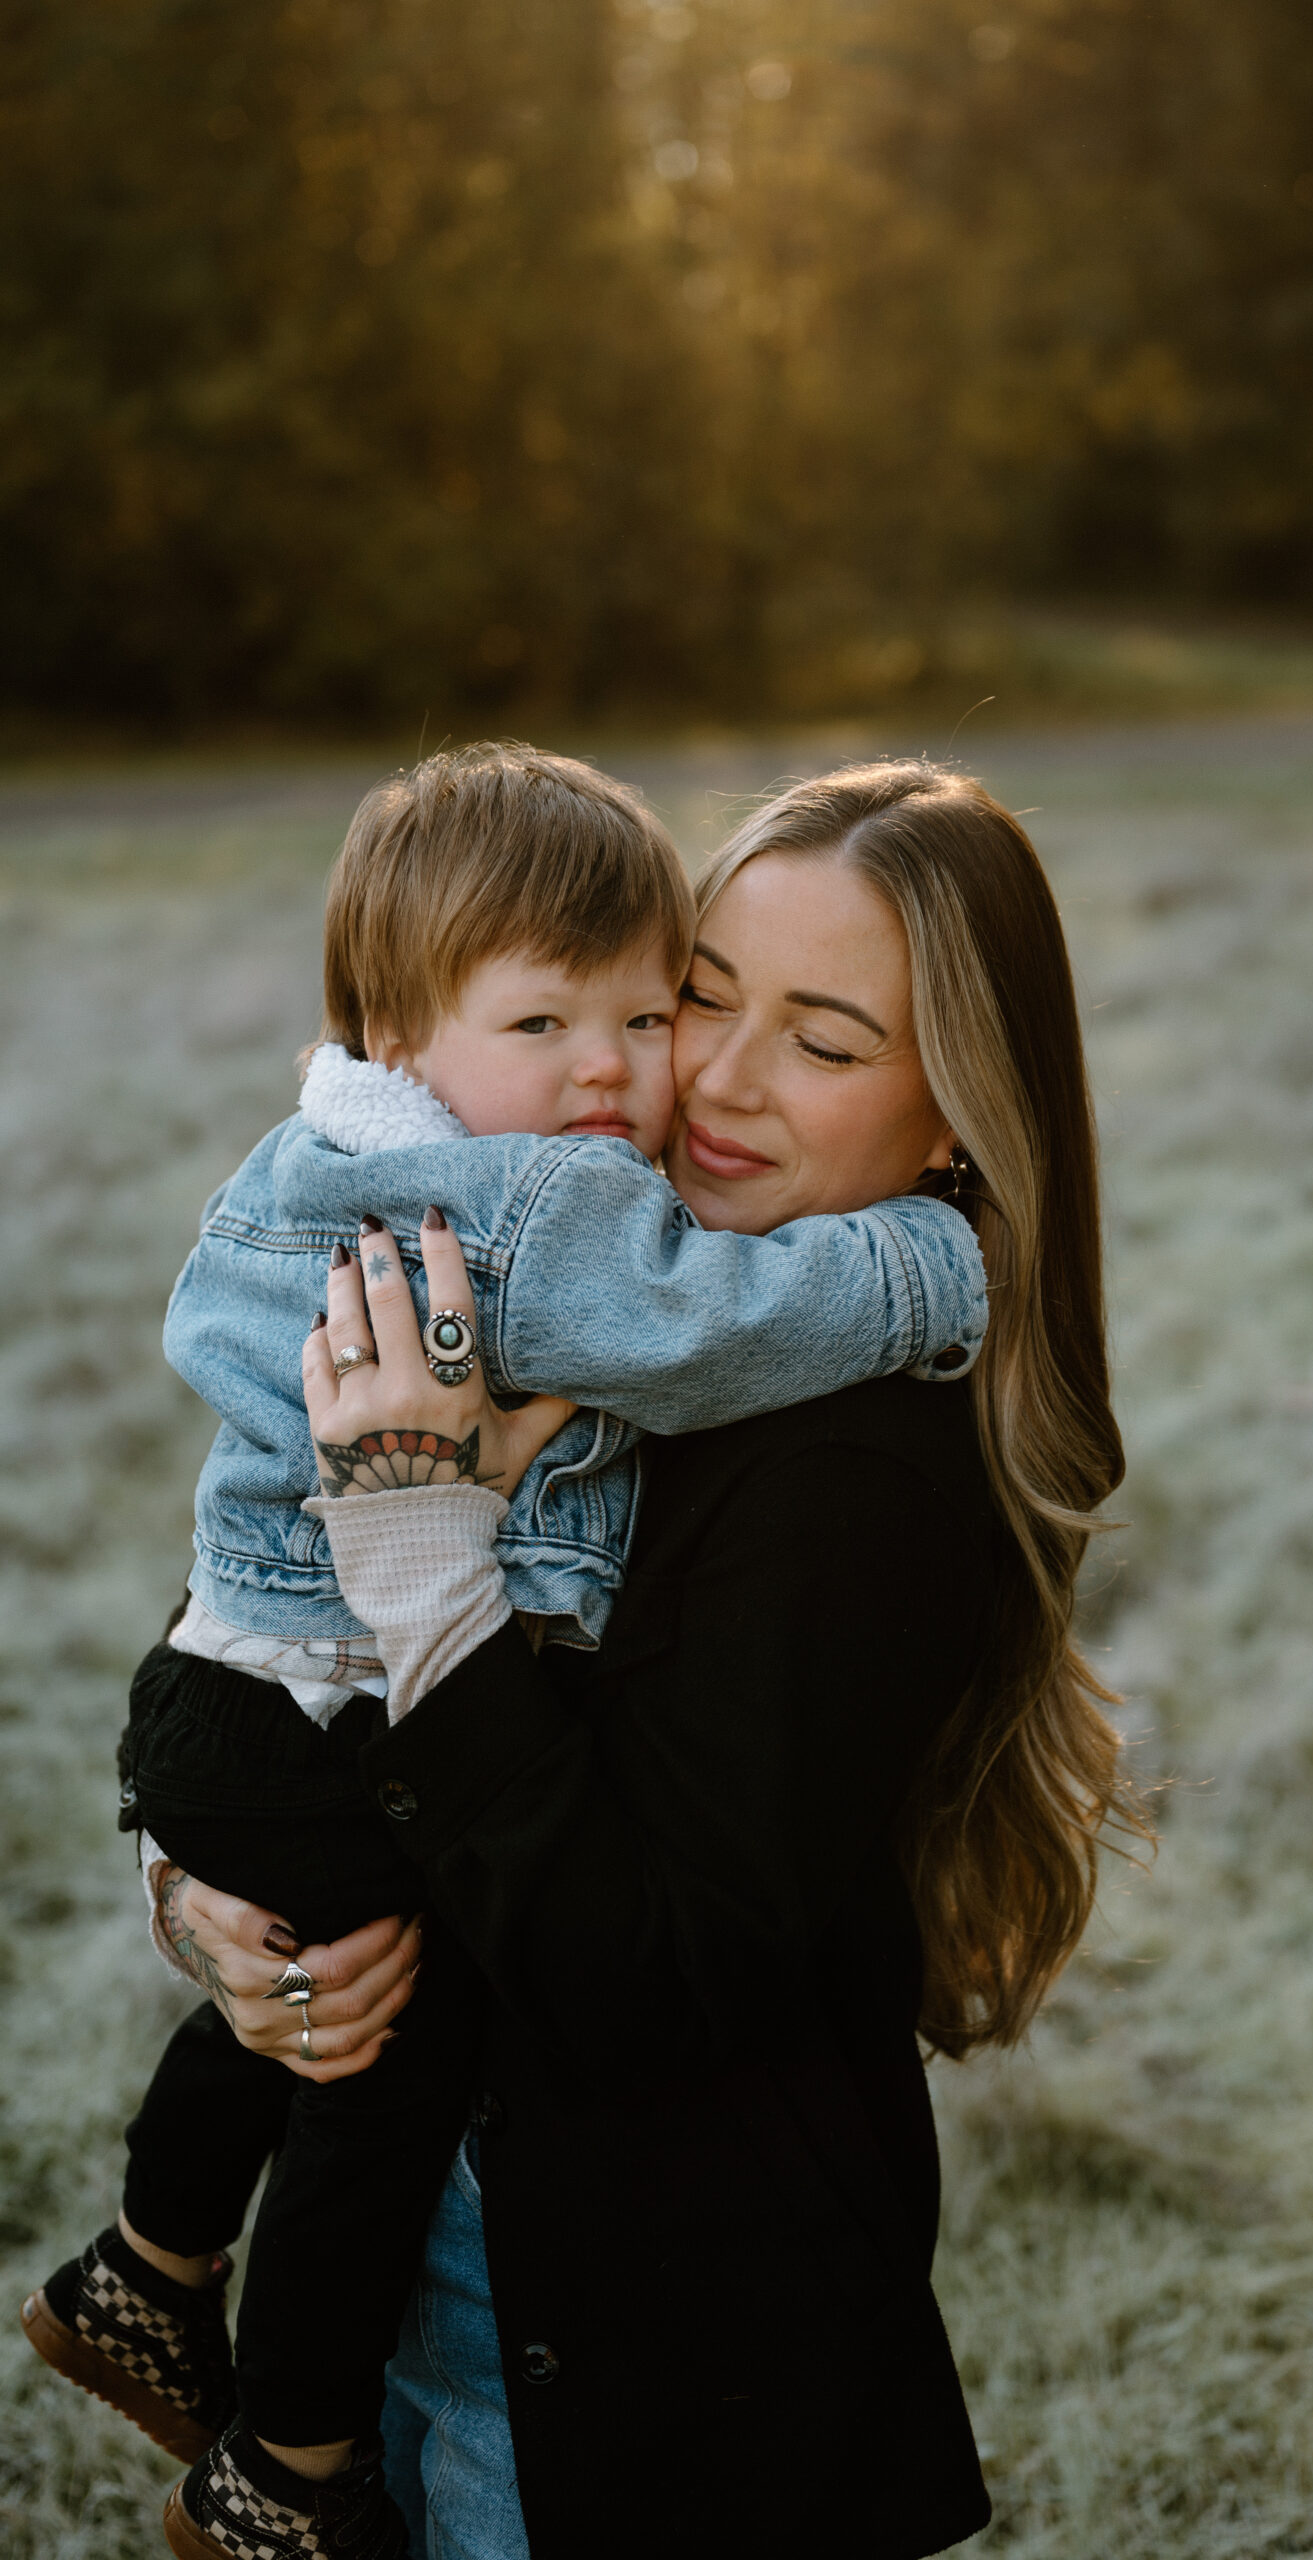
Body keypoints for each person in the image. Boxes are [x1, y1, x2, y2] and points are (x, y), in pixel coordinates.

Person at [104, 760, 1137, 2560]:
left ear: (957, 1114)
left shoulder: (851, 1469)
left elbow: (641, 1978)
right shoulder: (601, 1288)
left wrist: (425, 1557)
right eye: (702, 997)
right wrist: (214, 1906)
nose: (709, 1078)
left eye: (821, 1042)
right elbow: (285, 1644)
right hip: (453, 2278)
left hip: (644, 2371)